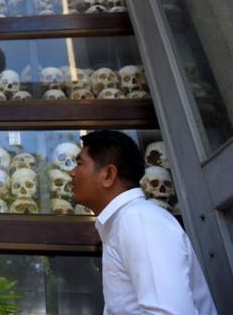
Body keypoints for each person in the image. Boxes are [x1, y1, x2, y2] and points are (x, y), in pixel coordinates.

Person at [71, 130, 216, 314]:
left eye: (79, 163)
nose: (72, 173)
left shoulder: (139, 220)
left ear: (108, 174)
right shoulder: (125, 223)